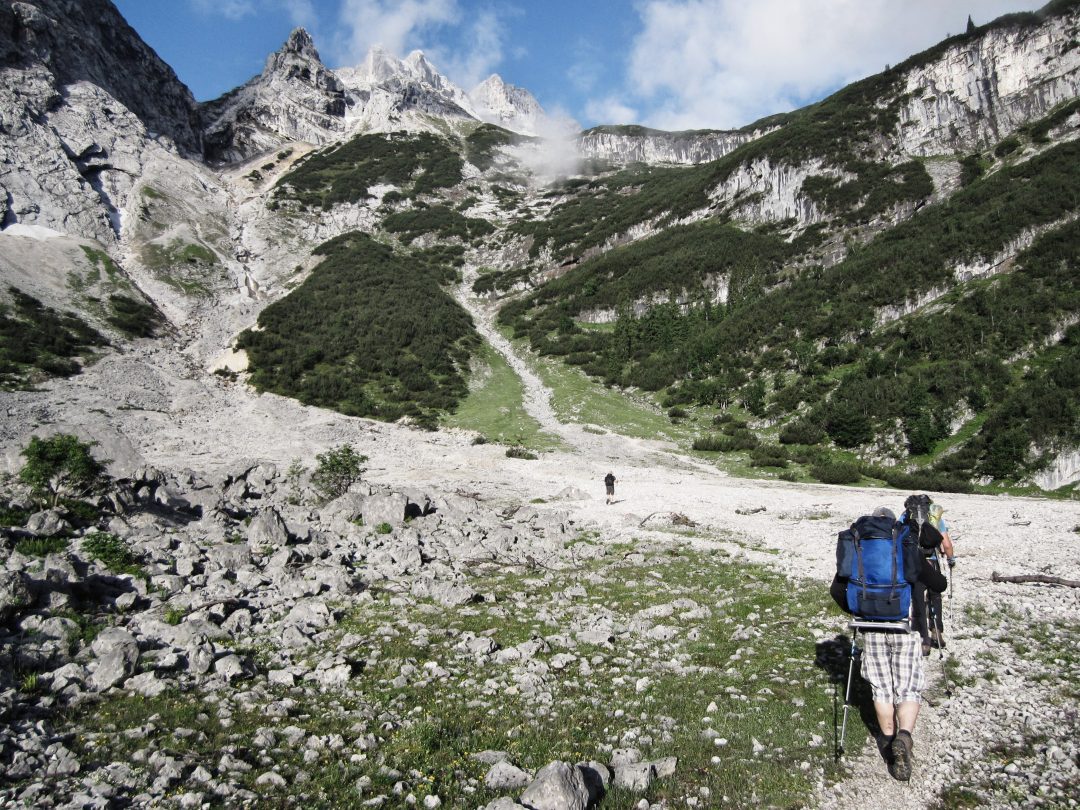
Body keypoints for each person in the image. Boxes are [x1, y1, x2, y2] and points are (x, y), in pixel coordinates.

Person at [832, 504, 947, 781]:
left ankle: (886, 739)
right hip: (905, 627)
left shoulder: (860, 547)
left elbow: (837, 590)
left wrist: (858, 610)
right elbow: (939, 585)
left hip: (870, 625)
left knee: (881, 686)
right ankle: (904, 738)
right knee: (908, 687)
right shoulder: (904, 545)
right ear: (895, 527)